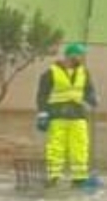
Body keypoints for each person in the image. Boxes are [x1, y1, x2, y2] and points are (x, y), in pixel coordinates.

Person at [35, 42, 98, 187]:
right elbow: (42, 94)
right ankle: (53, 177)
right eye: (80, 54)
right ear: (70, 55)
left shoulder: (84, 72)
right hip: (58, 114)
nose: (82, 58)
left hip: (78, 114)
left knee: (80, 146)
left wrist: (92, 97)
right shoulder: (51, 72)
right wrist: (43, 113)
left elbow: (88, 90)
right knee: (56, 146)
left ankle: (79, 178)